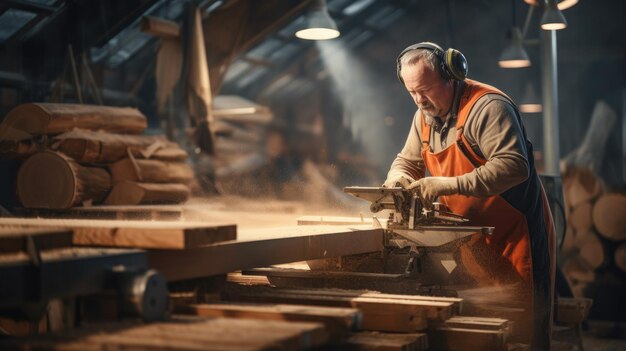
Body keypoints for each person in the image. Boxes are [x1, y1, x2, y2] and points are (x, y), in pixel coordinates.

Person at [384, 42, 556, 350]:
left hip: (515, 240)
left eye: (425, 89)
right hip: (472, 243)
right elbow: (408, 161)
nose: (420, 100)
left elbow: (514, 167)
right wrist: (397, 177)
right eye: (412, 92)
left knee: (523, 332)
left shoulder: (488, 107)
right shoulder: (422, 116)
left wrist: (445, 185)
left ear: (451, 76)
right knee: (478, 331)